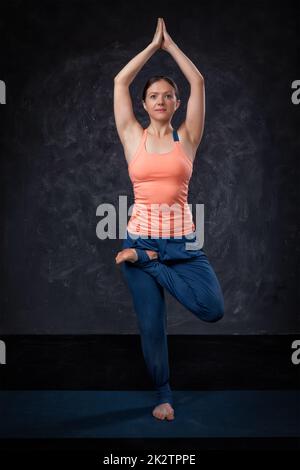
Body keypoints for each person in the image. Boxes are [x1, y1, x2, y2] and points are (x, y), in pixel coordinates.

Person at [113, 18, 224, 421]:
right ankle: (164, 395)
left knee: (212, 308)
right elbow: (119, 82)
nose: (161, 101)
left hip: (183, 244)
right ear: (145, 104)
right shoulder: (131, 135)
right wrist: (150, 47)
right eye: (154, 96)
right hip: (140, 238)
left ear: (177, 104)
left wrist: (170, 44)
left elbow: (199, 82)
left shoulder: (188, 138)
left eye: (169, 96)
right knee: (152, 325)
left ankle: (149, 265)